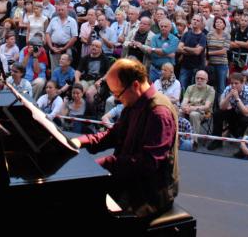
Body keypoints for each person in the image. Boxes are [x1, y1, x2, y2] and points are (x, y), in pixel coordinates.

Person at [72, 59, 178, 221]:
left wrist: (104, 164)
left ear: (135, 85)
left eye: (117, 93)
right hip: (130, 176)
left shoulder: (159, 113)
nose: (116, 98)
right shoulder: (133, 102)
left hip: (150, 192)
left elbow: (147, 163)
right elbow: (114, 135)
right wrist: (79, 142)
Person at [207, 72, 248, 150]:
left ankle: (244, 143)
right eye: (232, 83)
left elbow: (246, 113)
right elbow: (222, 107)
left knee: (244, 120)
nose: (233, 85)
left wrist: (237, 98)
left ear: (242, 83)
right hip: (236, 111)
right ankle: (217, 141)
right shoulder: (228, 88)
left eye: (236, 83)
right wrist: (228, 96)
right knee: (217, 114)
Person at [180, 70, 215, 137]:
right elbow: (183, 103)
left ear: (207, 80)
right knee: (179, 112)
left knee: (194, 114)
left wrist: (191, 108)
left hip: (204, 112)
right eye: (197, 78)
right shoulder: (190, 88)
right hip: (189, 110)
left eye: (202, 79)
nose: (199, 80)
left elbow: (206, 107)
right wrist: (184, 108)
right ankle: (179, 137)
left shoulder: (210, 90)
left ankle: (193, 140)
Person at [45, 3, 78, 72]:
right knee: (54, 69)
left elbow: (74, 37)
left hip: (66, 49)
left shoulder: (72, 21)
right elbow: (47, 33)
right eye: (59, 10)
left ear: (67, 11)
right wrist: (51, 47)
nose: (60, 11)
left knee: (66, 69)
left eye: (62, 10)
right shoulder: (53, 20)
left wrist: (64, 48)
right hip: (54, 48)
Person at [177, 14, 207, 90]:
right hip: (185, 66)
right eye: (194, 20)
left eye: (198, 20)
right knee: (182, 88)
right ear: (191, 21)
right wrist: (193, 50)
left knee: (194, 89)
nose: (195, 22)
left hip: (197, 67)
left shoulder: (202, 36)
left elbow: (197, 52)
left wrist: (185, 47)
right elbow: (179, 48)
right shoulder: (186, 34)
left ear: (201, 23)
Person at [206, 16, 231, 96]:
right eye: (217, 22)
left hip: (222, 64)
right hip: (211, 63)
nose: (218, 24)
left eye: (220, 22)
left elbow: (224, 51)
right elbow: (206, 47)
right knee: (210, 85)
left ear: (224, 25)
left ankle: (221, 104)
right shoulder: (209, 34)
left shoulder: (226, 35)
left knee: (221, 86)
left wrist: (210, 53)